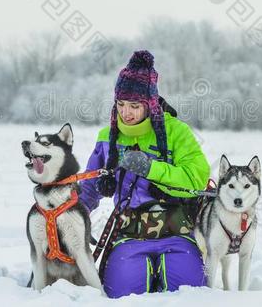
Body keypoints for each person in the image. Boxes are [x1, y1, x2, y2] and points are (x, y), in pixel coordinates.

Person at [79, 50, 210, 298]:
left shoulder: (176, 132)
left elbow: (197, 178)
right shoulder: (107, 138)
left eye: (134, 106)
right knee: (122, 294)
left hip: (177, 233)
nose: (126, 113)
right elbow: (89, 187)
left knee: (190, 293)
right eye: (120, 104)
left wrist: (152, 169)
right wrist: (73, 218)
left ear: (150, 104)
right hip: (129, 235)